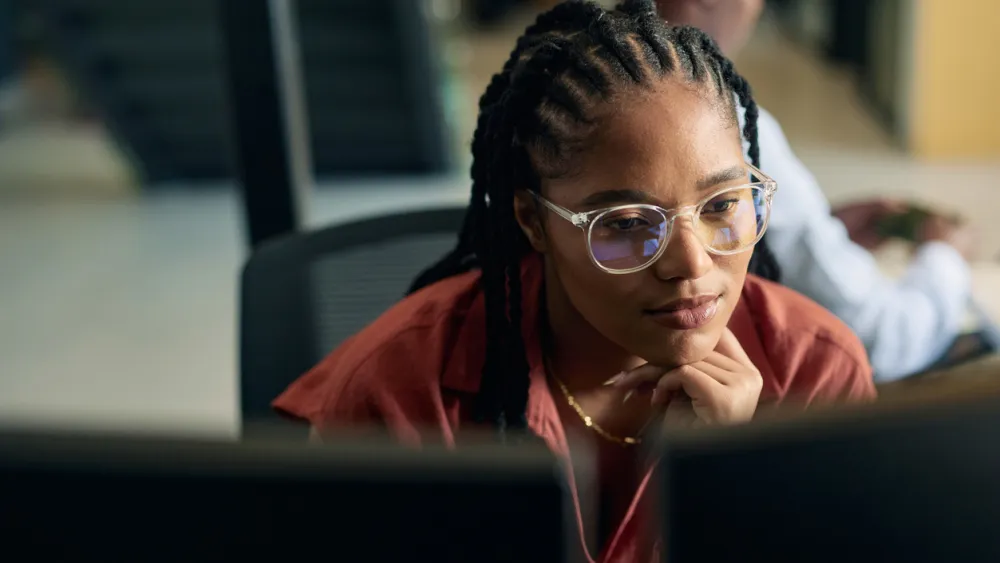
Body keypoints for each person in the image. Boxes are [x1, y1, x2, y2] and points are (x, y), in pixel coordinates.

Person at [274, 1, 875, 561]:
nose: (691, 264)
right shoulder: (400, 393)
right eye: (629, 223)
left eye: (721, 206)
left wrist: (727, 480)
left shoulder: (815, 375)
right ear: (533, 221)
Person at [654, 0, 978, 381]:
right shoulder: (726, 121)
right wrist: (945, 257)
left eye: (723, 207)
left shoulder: (604, 84)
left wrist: (815, 232)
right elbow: (879, 338)